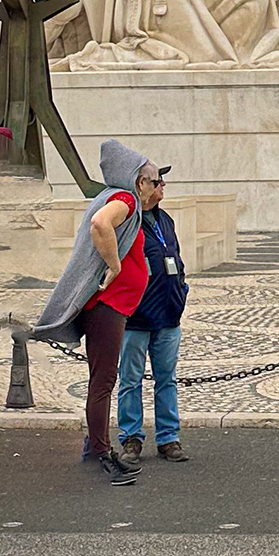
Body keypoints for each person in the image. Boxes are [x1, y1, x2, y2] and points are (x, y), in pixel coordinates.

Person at [30, 138, 165, 486]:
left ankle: (95, 447)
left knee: (100, 380)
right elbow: (101, 226)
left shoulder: (116, 198)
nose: (157, 186)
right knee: (103, 382)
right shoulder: (124, 200)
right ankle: (104, 455)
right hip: (108, 307)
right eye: (152, 180)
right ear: (138, 181)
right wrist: (115, 266)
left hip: (109, 307)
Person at [116, 176, 190, 463]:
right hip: (136, 316)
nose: (163, 186)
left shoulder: (165, 220)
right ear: (141, 185)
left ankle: (168, 438)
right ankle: (131, 438)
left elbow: (176, 256)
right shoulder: (127, 220)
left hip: (169, 313)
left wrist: (181, 290)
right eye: (158, 181)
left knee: (166, 379)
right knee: (130, 380)